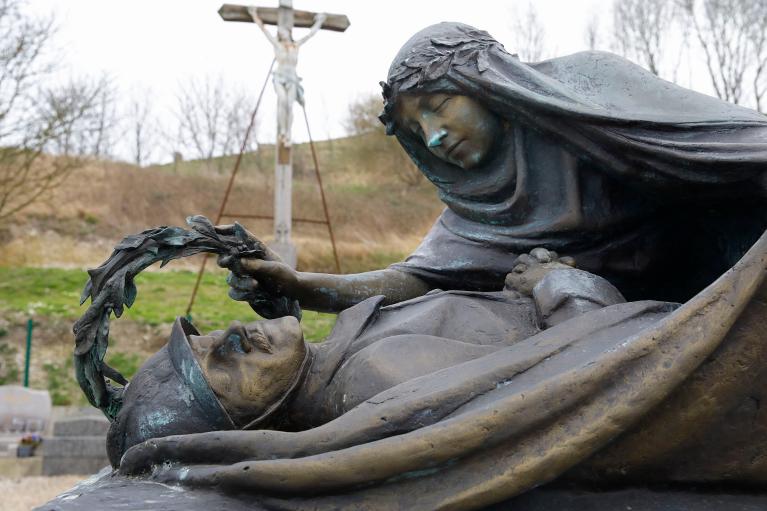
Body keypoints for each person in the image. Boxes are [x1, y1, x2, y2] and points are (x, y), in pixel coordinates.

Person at [220, 22, 767, 317]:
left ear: (484, 83)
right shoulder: (479, 206)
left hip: (737, 284)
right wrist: (304, 286)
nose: (433, 134)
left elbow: (733, 146)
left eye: (438, 106)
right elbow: (418, 279)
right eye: (416, 130)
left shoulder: (592, 87)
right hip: (628, 328)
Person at [108, 249, 629, 466]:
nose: (235, 336)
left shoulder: (349, 353)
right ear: (249, 427)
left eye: (211, 338)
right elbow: (603, 362)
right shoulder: (378, 375)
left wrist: (303, 285)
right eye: (221, 369)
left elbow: (427, 281)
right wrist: (557, 281)